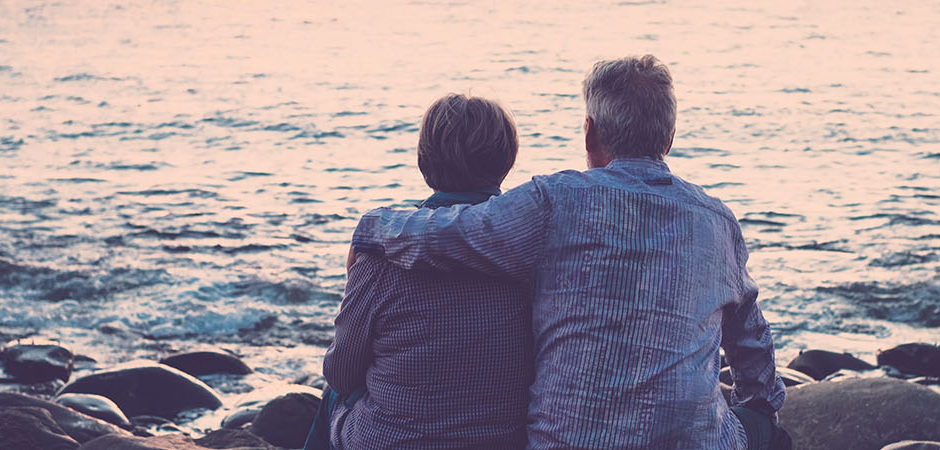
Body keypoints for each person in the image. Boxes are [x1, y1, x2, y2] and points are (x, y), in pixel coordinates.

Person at [348, 55, 790, 450]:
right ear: (669, 136)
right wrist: (761, 405)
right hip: (693, 441)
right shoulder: (717, 220)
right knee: (767, 430)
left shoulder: (554, 201)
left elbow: (448, 232)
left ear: (590, 132)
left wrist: (372, 227)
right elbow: (750, 340)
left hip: (567, 440)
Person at [315, 94, 533, 450]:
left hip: (392, 441)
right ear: (507, 161)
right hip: (502, 440)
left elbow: (341, 372)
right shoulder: (531, 250)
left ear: (424, 160)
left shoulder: (381, 256)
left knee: (333, 395)